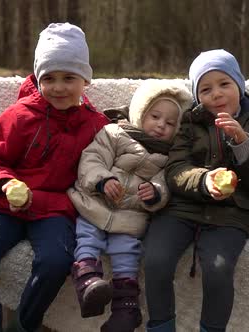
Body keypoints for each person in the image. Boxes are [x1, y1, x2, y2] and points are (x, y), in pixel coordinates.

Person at [0, 23, 109, 332]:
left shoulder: (95, 125)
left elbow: (109, 160)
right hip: (2, 206)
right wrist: (6, 183)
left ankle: (25, 323)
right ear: (38, 79)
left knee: (55, 262)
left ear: (85, 81)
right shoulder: (19, 115)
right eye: (49, 79)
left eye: (69, 78)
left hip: (55, 210)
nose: (59, 87)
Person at [143, 49, 249, 332]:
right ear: (197, 95)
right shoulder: (190, 124)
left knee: (218, 269)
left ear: (239, 85)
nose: (216, 94)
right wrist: (204, 181)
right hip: (182, 207)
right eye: (206, 88)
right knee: (155, 260)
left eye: (224, 84)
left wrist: (242, 142)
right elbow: (176, 170)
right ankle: (161, 326)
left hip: (233, 212)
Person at [68, 79, 192, 332]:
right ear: (139, 112)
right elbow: (91, 159)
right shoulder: (114, 133)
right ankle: (88, 283)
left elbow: (166, 184)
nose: (161, 125)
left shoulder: (169, 156)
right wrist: (102, 180)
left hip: (130, 216)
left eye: (170, 123)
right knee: (87, 237)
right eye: (155, 116)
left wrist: (155, 193)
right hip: (93, 204)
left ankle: (126, 308)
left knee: (127, 251)